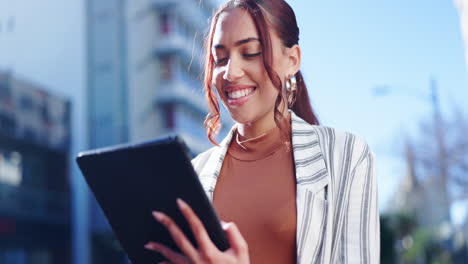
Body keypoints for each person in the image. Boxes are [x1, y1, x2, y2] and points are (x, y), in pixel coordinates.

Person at [144, 0, 380, 263]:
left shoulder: (347, 156)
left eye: (251, 52)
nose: (230, 72)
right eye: (220, 58)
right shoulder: (196, 173)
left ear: (292, 60)